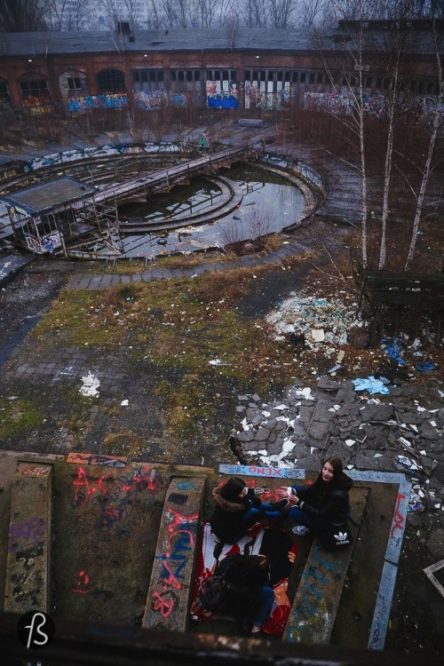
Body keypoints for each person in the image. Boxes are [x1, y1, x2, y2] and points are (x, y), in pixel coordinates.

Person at [201, 553, 274, 634]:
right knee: (269, 593)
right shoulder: (257, 574)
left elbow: (221, 567)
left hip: (222, 596)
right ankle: (256, 628)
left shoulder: (234, 559)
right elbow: (258, 587)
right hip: (239, 602)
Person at [287, 457, 353, 547]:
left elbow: (320, 514)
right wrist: (294, 490)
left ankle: (309, 527)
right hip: (326, 508)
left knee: (293, 512)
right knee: (297, 490)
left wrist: (299, 503)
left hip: (331, 522)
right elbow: (314, 489)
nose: (325, 473)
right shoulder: (333, 480)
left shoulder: (338, 495)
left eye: (330, 471)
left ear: (336, 473)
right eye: (325, 468)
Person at [210, 477, 287, 545]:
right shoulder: (234, 508)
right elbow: (239, 525)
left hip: (230, 524)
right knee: (256, 512)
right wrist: (255, 514)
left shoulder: (227, 494)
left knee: (253, 506)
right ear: (236, 493)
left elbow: (247, 498)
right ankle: (278, 513)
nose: (244, 492)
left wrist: (253, 500)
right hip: (231, 535)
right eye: (241, 492)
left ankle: (273, 507)